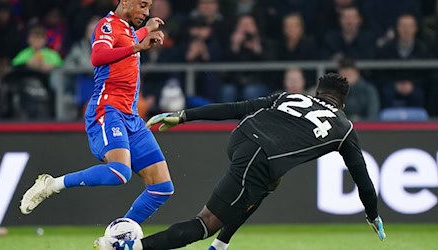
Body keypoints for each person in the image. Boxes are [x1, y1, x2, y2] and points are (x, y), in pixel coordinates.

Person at [95, 73, 386, 250]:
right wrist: (372, 215)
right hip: (260, 157)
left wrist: (185, 115)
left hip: (242, 138)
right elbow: (364, 181)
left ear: (317, 93)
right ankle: (131, 247)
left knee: (269, 182)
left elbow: (238, 108)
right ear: (342, 102)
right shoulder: (344, 128)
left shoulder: (290, 96)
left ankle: (222, 243)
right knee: (204, 223)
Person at [20, 0, 175, 227]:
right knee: (120, 173)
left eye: (149, 7)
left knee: (162, 188)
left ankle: (116, 235)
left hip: (131, 116)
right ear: (126, 2)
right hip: (107, 110)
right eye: (142, 5)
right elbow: (98, 56)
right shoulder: (107, 25)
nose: (146, 12)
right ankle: (52, 184)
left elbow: (129, 38)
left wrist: (145, 30)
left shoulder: (127, 30)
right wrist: (138, 46)